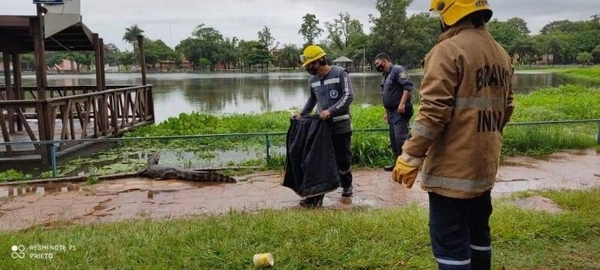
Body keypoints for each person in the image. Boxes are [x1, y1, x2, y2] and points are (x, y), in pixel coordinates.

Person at [391, 1, 515, 269]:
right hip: (484, 168)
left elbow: (433, 112)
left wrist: (411, 154)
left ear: (448, 13)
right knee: (479, 234)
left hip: (452, 173)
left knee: (450, 243)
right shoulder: (501, 54)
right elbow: (507, 108)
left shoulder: (447, 51)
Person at [292, 44, 354, 205]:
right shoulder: (313, 79)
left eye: (310, 64)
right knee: (321, 161)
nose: (309, 68)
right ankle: (318, 195)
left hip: (340, 126)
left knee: (342, 159)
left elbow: (348, 96)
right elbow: (312, 100)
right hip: (322, 128)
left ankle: (347, 185)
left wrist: (331, 111)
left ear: (319, 60)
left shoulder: (340, 73)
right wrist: (302, 114)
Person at [373, 53, 414, 171]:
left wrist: (401, 103)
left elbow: (408, 86)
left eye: (377, 63)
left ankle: (406, 165)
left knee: (401, 138)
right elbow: (386, 95)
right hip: (391, 112)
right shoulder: (386, 75)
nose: (376, 66)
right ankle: (397, 163)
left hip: (400, 110)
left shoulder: (397, 70)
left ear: (384, 61)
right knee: (394, 139)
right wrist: (386, 112)